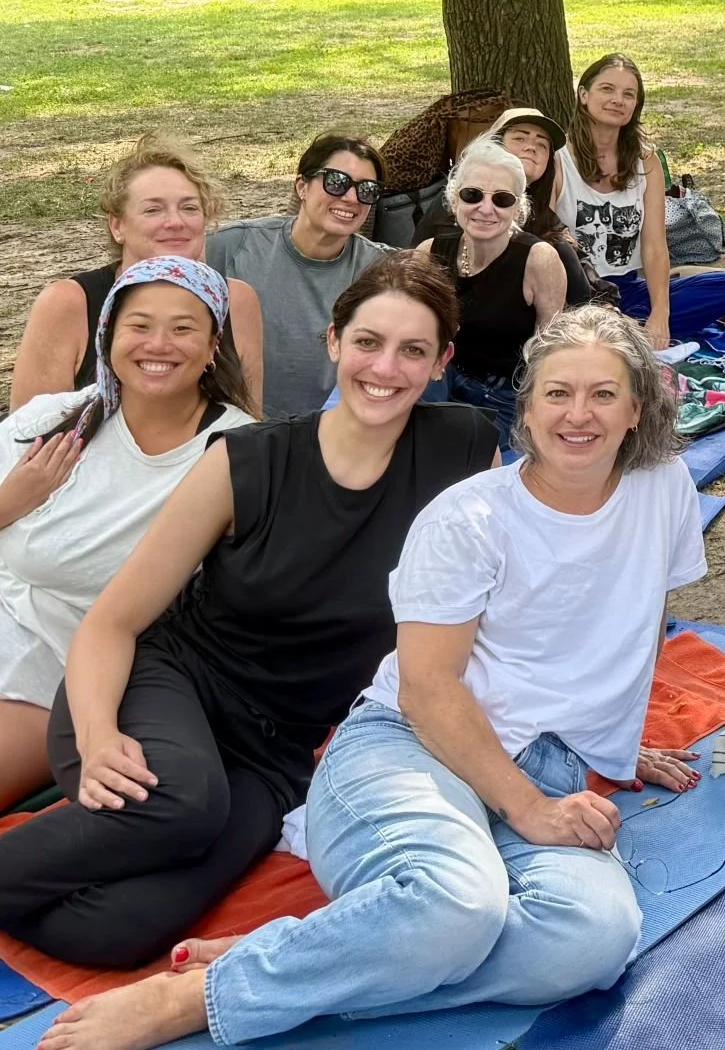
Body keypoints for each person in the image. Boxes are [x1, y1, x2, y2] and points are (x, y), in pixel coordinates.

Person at [56, 309, 707, 1050]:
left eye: (602, 394)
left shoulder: (664, 487)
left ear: (635, 408)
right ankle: (201, 998)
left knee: (591, 941)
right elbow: (429, 691)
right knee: (459, 906)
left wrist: (620, 735)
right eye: (557, 393)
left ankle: (324, 952)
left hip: (552, 767)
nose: (578, 415)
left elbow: (639, 615)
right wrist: (527, 806)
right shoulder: (469, 518)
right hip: (412, 748)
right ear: (525, 409)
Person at [0, 256, 493, 971]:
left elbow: (507, 592)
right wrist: (101, 735)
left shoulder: (463, 447)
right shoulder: (246, 460)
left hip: (274, 752)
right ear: (333, 340)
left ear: (442, 359)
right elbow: (112, 622)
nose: (384, 367)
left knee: (114, 933)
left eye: (413, 349)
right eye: (367, 341)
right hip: (154, 690)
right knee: (185, 802)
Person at [0, 260, 255, 808]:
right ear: (107, 335)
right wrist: (10, 502)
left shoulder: (241, 454)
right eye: (138, 325)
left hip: (56, 665)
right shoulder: (53, 419)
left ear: (214, 346)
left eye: (184, 328)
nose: (158, 344)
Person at [11, 138, 264, 415]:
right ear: (117, 225)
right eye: (153, 209)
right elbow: (27, 435)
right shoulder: (68, 303)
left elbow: (249, 417)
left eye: (189, 207)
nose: (175, 222)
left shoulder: (237, 300)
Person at [554, 53, 725, 350]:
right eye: (607, 89)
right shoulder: (558, 160)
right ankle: (619, 333)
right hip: (577, 294)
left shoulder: (646, 161)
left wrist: (660, 315)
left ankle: (626, 333)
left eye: (628, 94)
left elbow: (655, 246)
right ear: (583, 95)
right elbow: (549, 242)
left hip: (628, 290)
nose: (618, 99)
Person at [205, 134, 391, 418]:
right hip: (226, 422)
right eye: (336, 181)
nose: (352, 198)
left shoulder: (379, 270)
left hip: (313, 432)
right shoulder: (233, 247)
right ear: (302, 186)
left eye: (368, 189)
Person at [412, 140, 569, 446]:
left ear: (518, 208)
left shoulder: (538, 260)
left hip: (504, 394)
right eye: (472, 195)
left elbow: (552, 353)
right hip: (440, 378)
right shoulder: (429, 254)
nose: (486, 209)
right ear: (454, 200)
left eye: (502, 199)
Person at [417, 109, 595, 307]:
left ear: (520, 207)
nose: (531, 148)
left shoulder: (544, 217)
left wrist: (604, 300)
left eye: (542, 144)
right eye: (520, 138)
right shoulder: (457, 208)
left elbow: (580, 266)